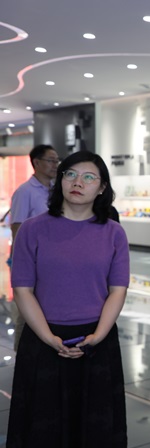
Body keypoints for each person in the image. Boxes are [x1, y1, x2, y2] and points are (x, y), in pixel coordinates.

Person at [8, 150, 129, 447]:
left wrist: (98, 336)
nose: (78, 182)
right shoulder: (32, 229)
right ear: (60, 180)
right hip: (43, 338)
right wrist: (48, 338)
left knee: (95, 427)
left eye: (89, 177)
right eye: (70, 174)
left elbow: (118, 289)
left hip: (96, 340)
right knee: (42, 428)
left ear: (101, 188)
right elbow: (22, 289)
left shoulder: (114, 233)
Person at [9, 144, 60, 351]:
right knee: (27, 309)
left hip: (53, 260)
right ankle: (21, 352)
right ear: (36, 163)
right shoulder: (25, 192)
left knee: (46, 306)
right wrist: (21, 262)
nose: (55, 165)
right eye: (50, 160)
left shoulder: (57, 190)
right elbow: (17, 227)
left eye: (57, 161)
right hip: (31, 260)